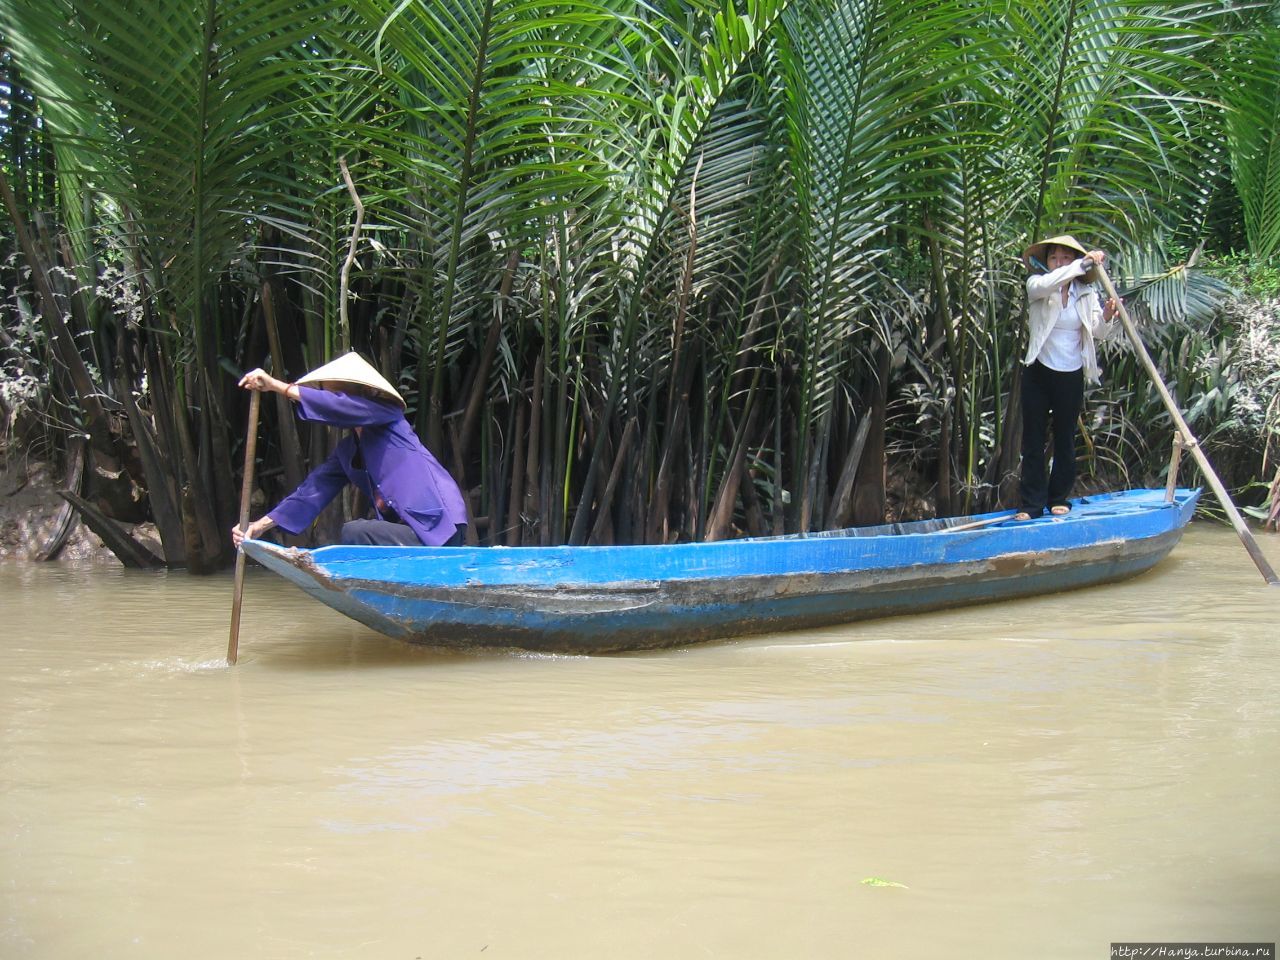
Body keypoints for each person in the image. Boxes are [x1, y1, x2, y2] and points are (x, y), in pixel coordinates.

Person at [230, 352, 468, 548]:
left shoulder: (388, 415)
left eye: (338, 394)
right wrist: (257, 526)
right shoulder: (347, 452)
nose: (331, 400)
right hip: (410, 535)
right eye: (327, 393)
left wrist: (277, 386)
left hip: (439, 527)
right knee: (357, 534)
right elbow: (311, 491)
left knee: (355, 532)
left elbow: (340, 406)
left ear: (361, 395)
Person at [1014, 234, 1120, 521]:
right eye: (1053, 258)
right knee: (1033, 441)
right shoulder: (1037, 285)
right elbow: (1051, 281)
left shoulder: (1086, 295)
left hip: (1071, 373)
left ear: (1072, 260)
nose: (1058, 263)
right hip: (1038, 371)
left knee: (1064, 439)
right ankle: (1031, 505)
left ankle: (1058, 498)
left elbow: (1097, 331)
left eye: (1065, 258)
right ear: (1046, 262)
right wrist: (1082, 264)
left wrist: (1109, 315)